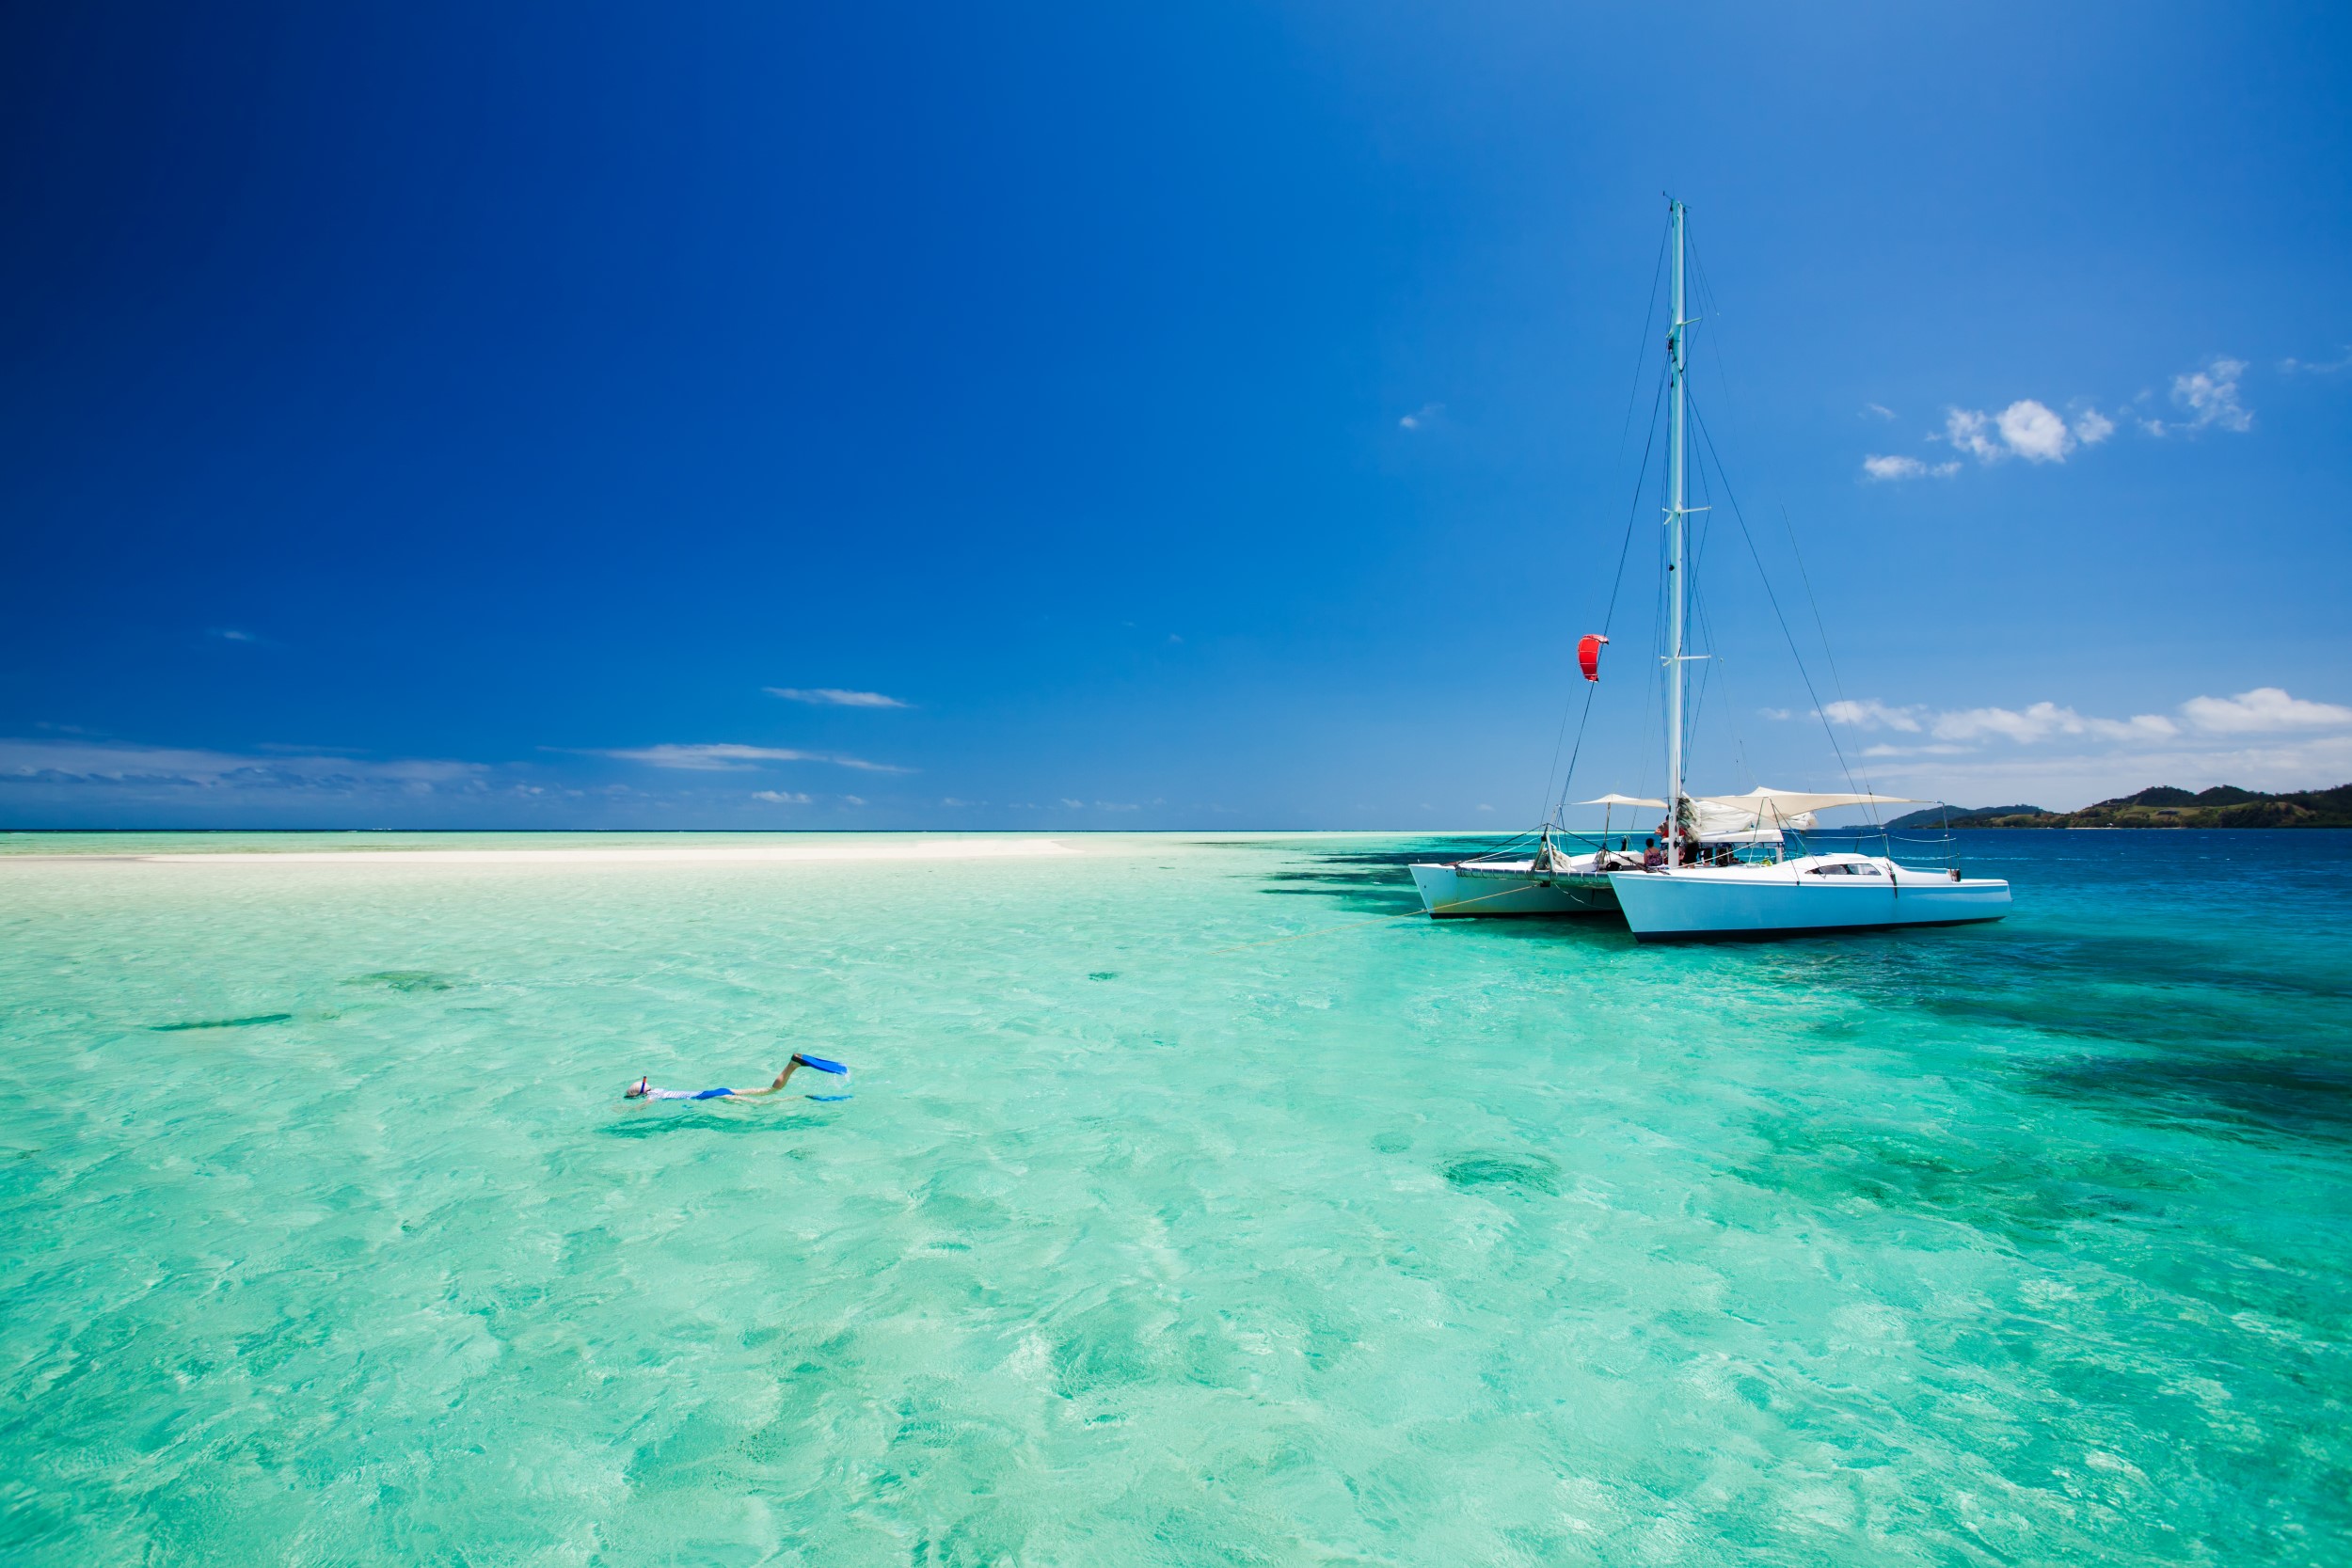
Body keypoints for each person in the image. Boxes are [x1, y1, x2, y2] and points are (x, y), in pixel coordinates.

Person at [625, 1052, 847, 1102]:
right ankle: (793, 1065)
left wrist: (623, 1107)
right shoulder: (660, 1089)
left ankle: (804, 1097)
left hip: (712, 1098)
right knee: (768, 1091)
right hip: (716, 1091)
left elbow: (639, 1109)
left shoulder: (652, 1097)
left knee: (766, 1104)